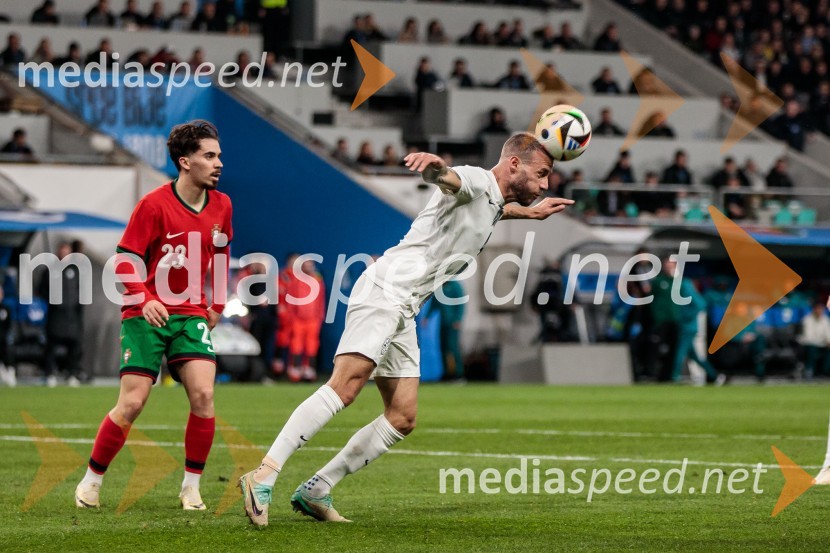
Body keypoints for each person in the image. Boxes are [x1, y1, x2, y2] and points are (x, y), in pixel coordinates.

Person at [239, 132, 573, 526]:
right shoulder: (476, 180)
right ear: (514, 164)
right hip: (385, 290)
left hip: (405, 306)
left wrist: (530, 213)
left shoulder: (493, 200)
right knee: (345, 386)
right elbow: (451, 180)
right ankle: (263, 475)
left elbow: (493, 207)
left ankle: (317, 488)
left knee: (402, 416)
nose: (545, 184)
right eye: (542, 173)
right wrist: (435, 169)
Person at [73, 120, 233, 511]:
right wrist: (144, 299)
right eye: (209, 156)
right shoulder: (153, 205)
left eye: (219, 156)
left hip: (190, 313)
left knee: (204, 394)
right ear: (185, 162)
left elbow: (222, 252)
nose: (218, 164)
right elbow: (125, 261)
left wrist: (217, 304)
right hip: (145, 313)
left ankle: (191, 487)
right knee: (132, 403)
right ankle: (91, 481)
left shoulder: (222, 205)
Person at [38, 242, 85, 387]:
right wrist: (53, 300)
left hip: (72, 315)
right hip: (55, 314)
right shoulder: (51, 270)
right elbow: (41, 290)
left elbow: (82, 292)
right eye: (62, 251)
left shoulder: (76, 270)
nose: (64, 254)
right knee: (51, 345)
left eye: (67, 251)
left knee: (74, 346)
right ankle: (49, 374)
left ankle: (71, 373)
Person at [285, 259, 326, 382]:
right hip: (298, 319)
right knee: (296, 344)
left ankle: (309, 369)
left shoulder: (318, 281)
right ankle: (295, 369)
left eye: (310, 265)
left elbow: (321, 300)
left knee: (312, 345)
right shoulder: (296, 281)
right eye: (306, 265)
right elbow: (290, 299)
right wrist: (291, 317)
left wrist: (320, 316)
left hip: (313, 320)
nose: (308, 268)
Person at [799, 302, 830, 379]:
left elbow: (828, 333)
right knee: (811, 349)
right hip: (809, 343)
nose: (820, 311)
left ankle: (825, 371)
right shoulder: (807, 320)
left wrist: (828, 341)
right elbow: (809, 337)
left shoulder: (825, 320)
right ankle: (809, 370)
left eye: (821, 309)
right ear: (814, 310)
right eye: (818, 309)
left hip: (822, 344)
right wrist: (824, 342)